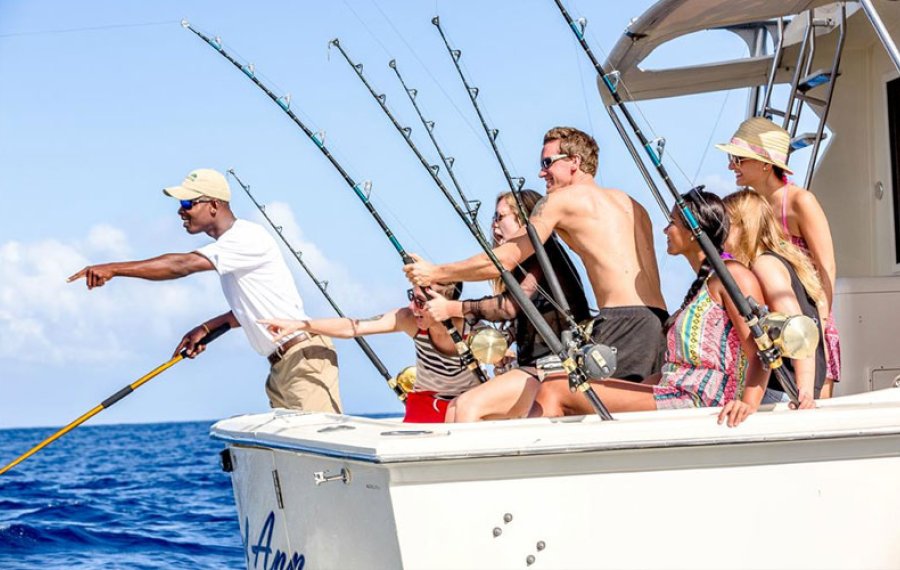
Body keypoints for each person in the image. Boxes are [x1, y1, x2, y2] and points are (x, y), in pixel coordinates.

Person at [404, 126, 668, 416]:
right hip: (657, 324)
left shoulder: (561, 201)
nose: (542, 174)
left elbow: (502, 260)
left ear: (574, 162)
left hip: (621, 323)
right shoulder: (632, 204)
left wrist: (435, 273)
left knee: (557, 408)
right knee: (634, 421)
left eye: (547, 163)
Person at [67, 168, 342, 413]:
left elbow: (182, 265)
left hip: (302, 361)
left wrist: (114, 268)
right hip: (282, 366)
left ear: (213, 205)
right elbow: (256, 308)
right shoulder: (233, 246)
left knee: (322, 456)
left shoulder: (245, 238)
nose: (180, 210)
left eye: (188, 202)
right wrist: (208, 328)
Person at [536, 190, 769, 427]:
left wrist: (749, 403)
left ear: (692, 231)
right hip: (675, 392)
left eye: (672, 223)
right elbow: (673, 371)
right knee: (564, 385)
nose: (666, 230)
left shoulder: (732, 276)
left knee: (555, 388)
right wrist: (629, 393)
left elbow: (762, 349)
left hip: (701, 400)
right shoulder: (702, 286)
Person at [423, 190, 590, 422]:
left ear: (524, 220)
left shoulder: (543, 253)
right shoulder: (532, 261)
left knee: (466, 407)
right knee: (454, 409)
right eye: (493, 218)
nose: (494, 225)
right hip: (535, 367)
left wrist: (452, 308)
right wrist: (505, 342)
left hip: (555, 370)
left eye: (500, 217)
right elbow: (529, 313)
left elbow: (509, 307)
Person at [716, 117, 840, 397]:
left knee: (813, 403)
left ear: (765, 162)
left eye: (738, 159)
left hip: (808, 315)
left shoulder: (800, 201)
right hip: (774, 325)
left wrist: (819, 320)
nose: (730, 166)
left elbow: (826, 265)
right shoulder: (748, 205)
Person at [260, 282, 480, 423]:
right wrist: (303, 325)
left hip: (463, 412)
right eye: (411, 297)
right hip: (423, 406)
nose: (413, 307)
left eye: (420, 302)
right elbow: (353, 327)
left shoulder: (477, 333)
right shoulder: (409, 320)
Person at [724, 190, 826, 408]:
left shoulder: (765, 265)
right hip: (790, 386)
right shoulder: (782, 261)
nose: (720, 233)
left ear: (742, 226)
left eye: (725, 225)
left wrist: (804, 392)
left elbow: (798, 328)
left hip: (783, 390)